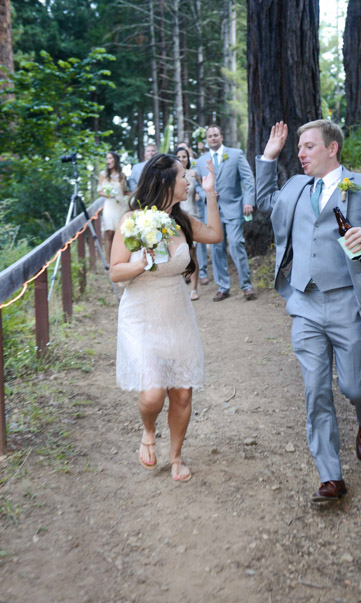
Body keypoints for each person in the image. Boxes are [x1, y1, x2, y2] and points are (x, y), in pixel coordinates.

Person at [256, 119, 361, 503]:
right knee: (315, 392)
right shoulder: (295, 187)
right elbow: (264, 204)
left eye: (309, 146)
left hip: (348, 302)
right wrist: (268, 157)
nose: (301, 154)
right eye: (298, 148)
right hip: (305, 303)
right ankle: (330, 476)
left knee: (355, 388)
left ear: (332, 148)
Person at [109, 153, 222, 482]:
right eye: (184, 177)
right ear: (165, 182)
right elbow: (116, 271)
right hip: (140, 314)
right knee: (153, 393)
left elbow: (215, 234)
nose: (189, 182)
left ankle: (175, 457)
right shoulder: (132, 220)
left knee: (183, 392)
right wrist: (141, 263)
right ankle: (148, 429)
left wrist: (211, 191)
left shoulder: (183, 222)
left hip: (176, 312)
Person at [195, 124, 256, 301]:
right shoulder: (200, 161)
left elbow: (248, 179)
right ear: (206, 140)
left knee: (236, 244)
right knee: (216, 248)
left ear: (221, 137)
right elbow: (198, 185)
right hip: (211, 211)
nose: (213, 138)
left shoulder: (236, 154)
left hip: (234, 207)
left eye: (215, 135)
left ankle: (246, 285)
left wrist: (248, 201)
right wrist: (206, 195)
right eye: (209, 136)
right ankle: (223, 286)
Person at [175, 145, 202, 300]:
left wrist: (204, 195)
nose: (182, 159)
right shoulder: (173, 176)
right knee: (178, 253)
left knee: (192, 253)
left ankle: (194, 288)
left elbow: (201, 189)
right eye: (178, 157)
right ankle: (179, 286)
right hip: (177, 218)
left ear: (188, 158)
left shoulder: (193, 174)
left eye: (184, 156)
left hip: (192, 216)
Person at [97, 151, 129, 264]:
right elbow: (99, 191)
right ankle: (109, 261)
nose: (108, 161)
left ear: (115, 159)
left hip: (121, 206)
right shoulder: (103, 175)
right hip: (109, 205)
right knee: (109, 232)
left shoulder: (122, 175)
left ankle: (120, 259)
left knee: (120, 233)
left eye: (110, 158)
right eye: (107, 159)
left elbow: (124, 191)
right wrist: (108, 194)